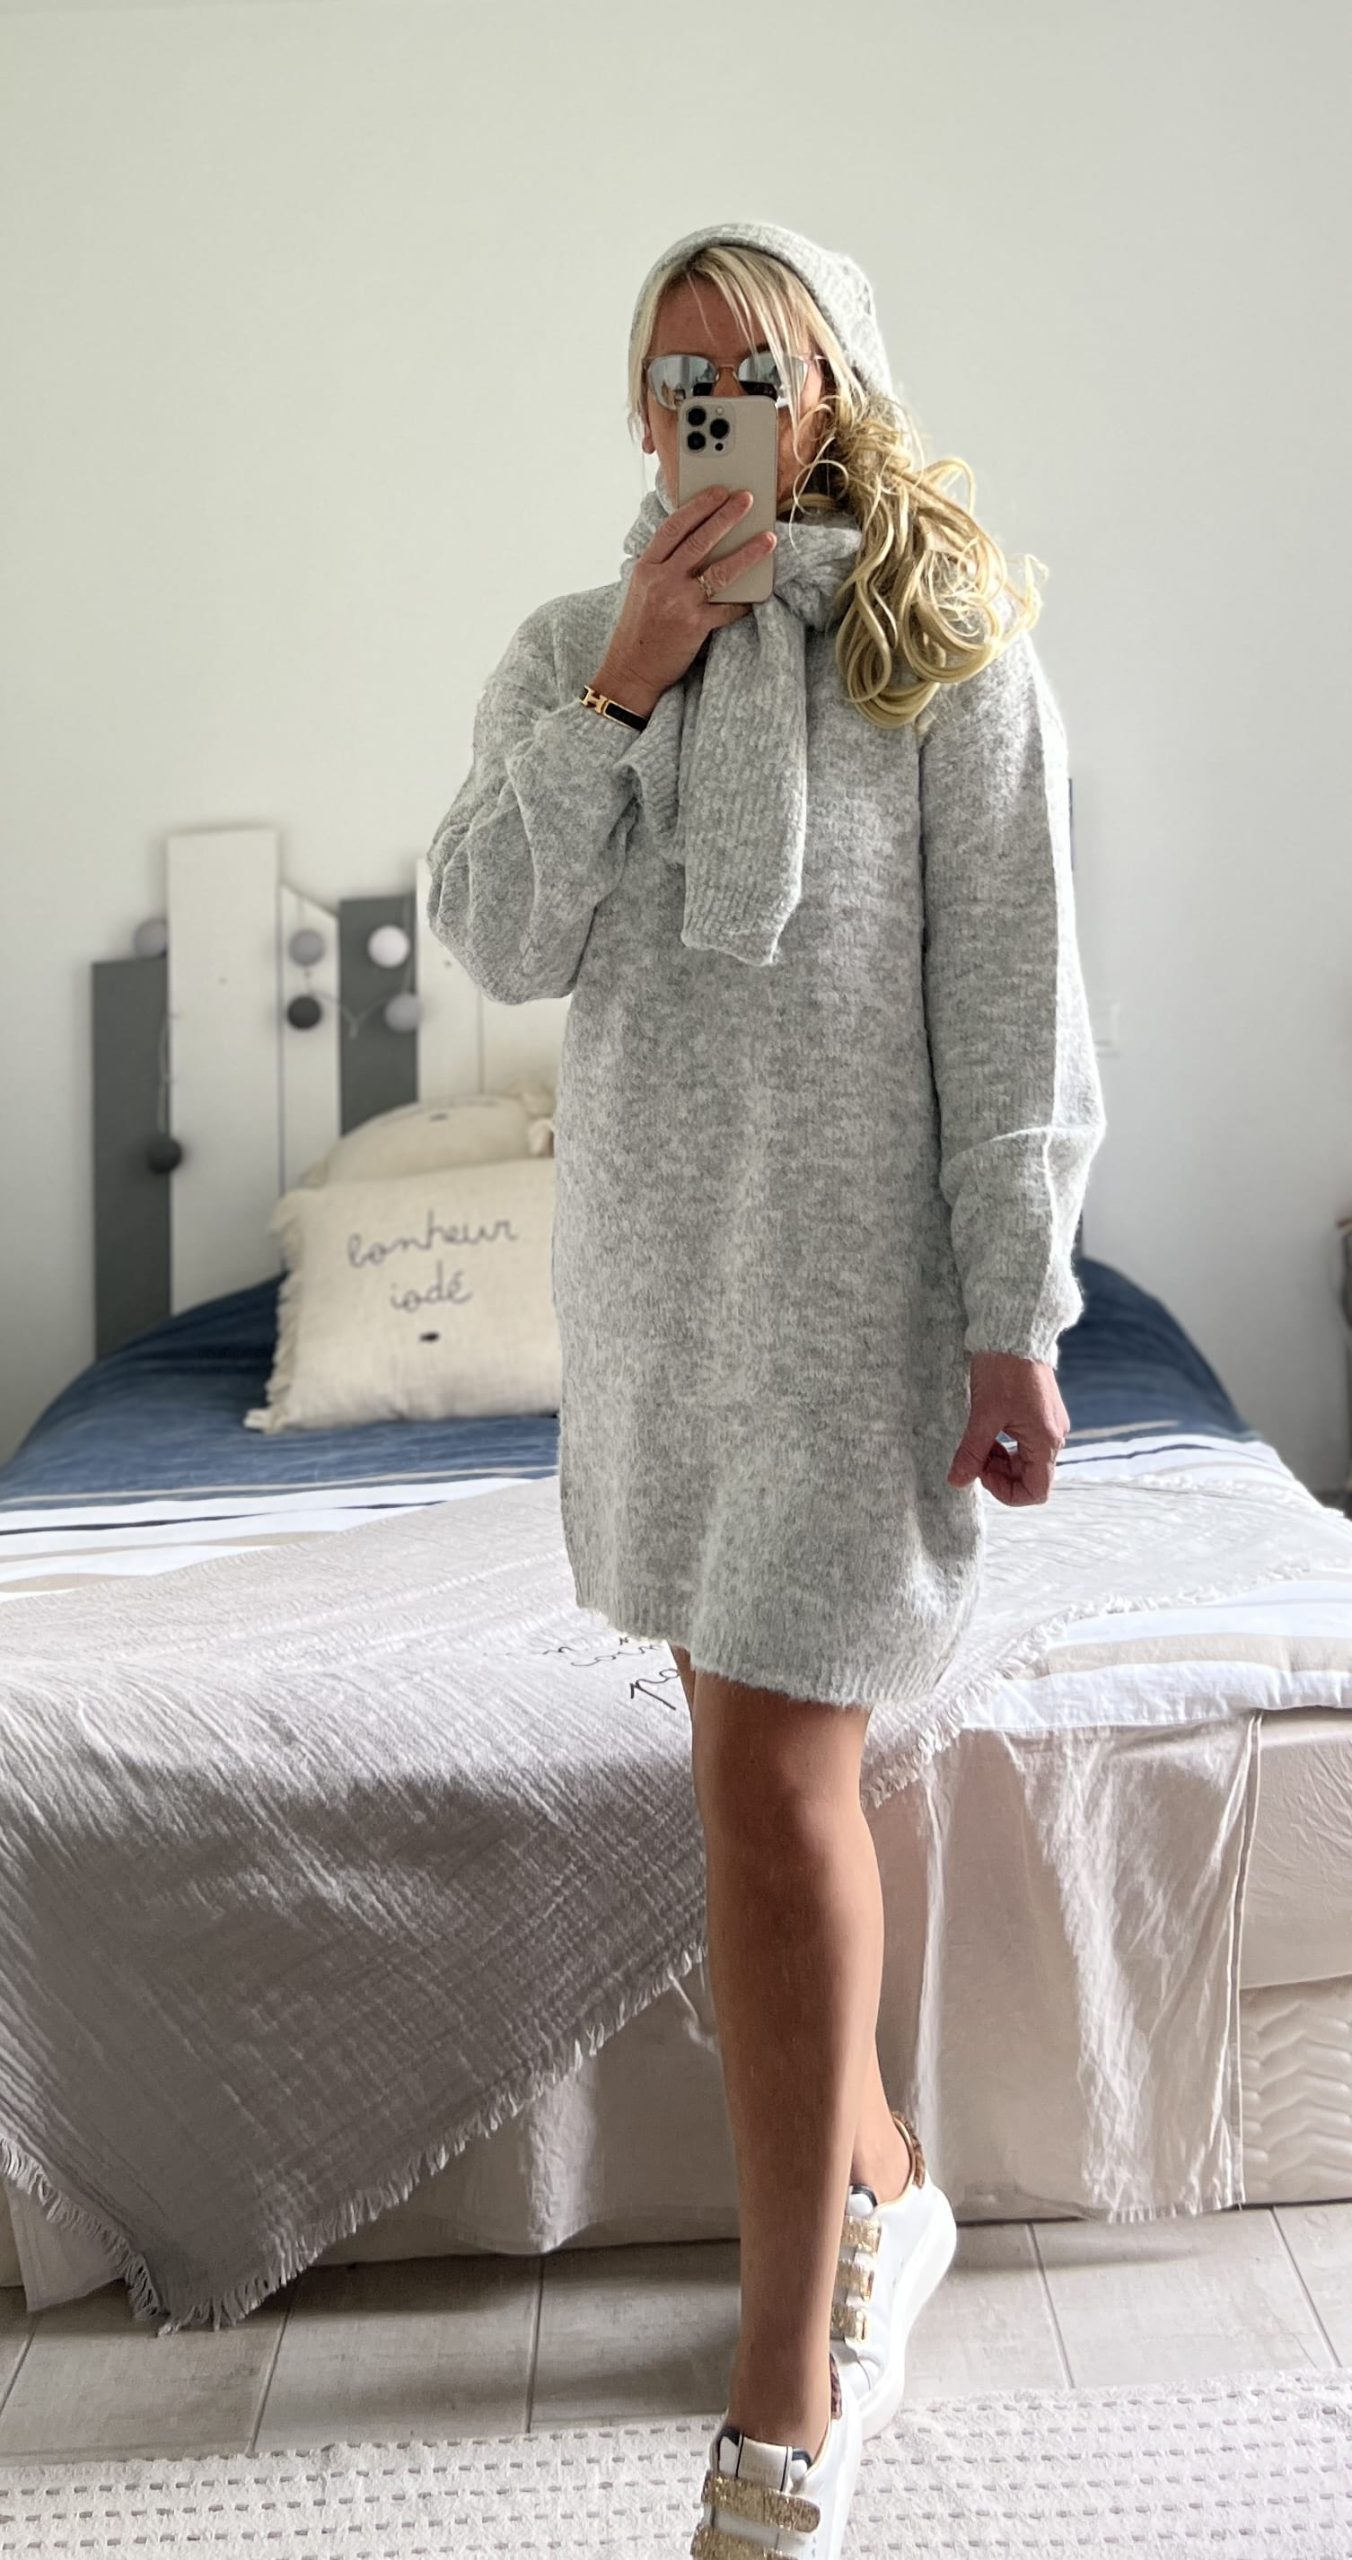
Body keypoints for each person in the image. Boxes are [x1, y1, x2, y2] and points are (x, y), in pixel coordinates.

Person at [425, 218, 1107, 2556]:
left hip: (856, 1314)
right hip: (660, 1305)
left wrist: (1016, 1313)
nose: (710, 406)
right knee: (749, 1785)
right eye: (675, 376)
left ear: (831, 394)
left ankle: (781, 2379)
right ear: (641, 416)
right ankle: (888, 2192)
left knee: (768, 1786)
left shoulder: (946, 653)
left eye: (755, 369)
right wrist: (628, 681)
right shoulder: (566, 648)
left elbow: (1012, 1021)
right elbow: (498, 935)